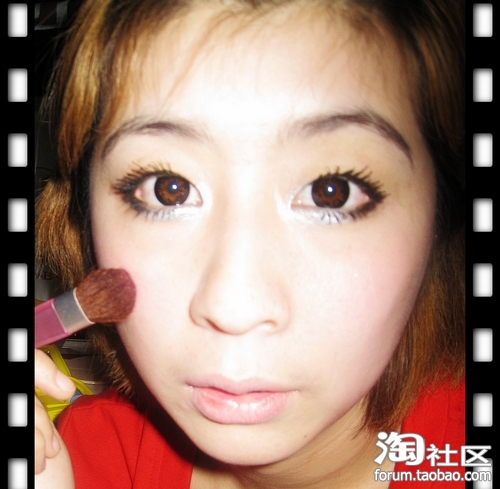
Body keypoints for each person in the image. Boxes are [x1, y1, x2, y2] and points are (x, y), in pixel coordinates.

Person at [35, 0, 465, 487]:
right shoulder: (77, 460)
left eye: (332, 192)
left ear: (441, 215)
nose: (233, 308)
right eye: (167, 190)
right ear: (85, 221)